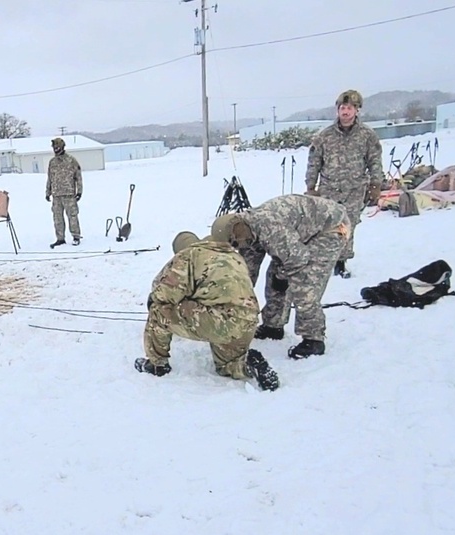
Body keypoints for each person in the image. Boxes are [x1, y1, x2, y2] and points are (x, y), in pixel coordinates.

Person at [135, 231, 279, 391]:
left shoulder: (188, 255)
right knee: (226, 365)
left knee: (158, 310)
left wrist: (156, 300)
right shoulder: (233, 255)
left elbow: (164, 293)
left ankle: (156, 365)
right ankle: (248, 365)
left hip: (219, 319)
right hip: (247, 320)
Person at [209, 194, 350, 359]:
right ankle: (273, 326)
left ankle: (313, 338)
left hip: (329, 229)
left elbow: (298, 259)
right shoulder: (245, 233)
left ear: (236, 230)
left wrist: (282, 275)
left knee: (304, 283)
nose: (236, 247)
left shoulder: (269, 227)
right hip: (297, 237)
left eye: (234, 242)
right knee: (273, 278)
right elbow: (247, 274)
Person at [304, 89, 384, 278]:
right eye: (342, 108)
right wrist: (310, 187)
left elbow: (375, 161)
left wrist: (376, 185)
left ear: (357, 110)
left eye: (349, 108)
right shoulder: (325, 136)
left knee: (348, 226)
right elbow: (314, 161)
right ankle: (324, 259)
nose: (345, 112)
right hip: (329, 189)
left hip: (355, 189)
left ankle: (341, 262)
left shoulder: (367, 135)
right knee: (325, 226)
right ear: (337, 110)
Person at [45, 137, 83, 248]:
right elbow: (50, 178)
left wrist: (79, 192)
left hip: (69, 195)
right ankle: (60, 238)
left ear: (62, 147)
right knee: (57, 218)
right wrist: (48, 192)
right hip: (56, 195)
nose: (55, 149)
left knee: (72, 216)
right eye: (54, 147)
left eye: (57, 147)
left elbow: (78, 177)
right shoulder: (52, 162)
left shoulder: (71, 160)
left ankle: (76, 236)